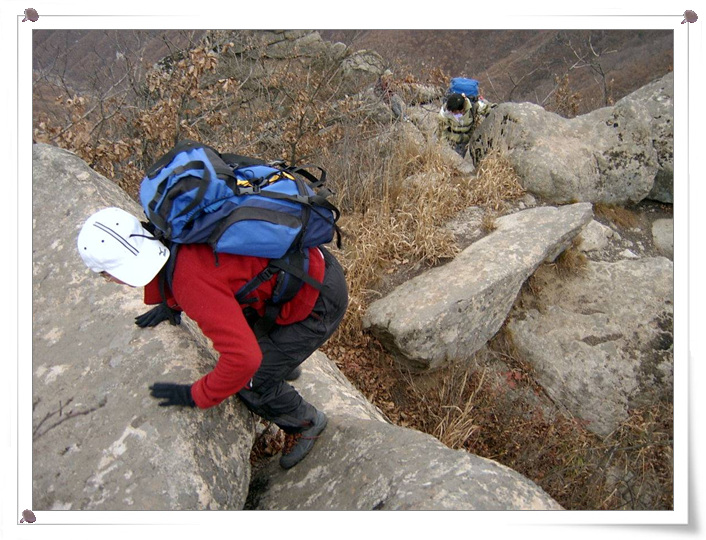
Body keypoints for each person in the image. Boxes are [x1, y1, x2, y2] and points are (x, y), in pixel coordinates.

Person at [77, 206, 348, 469]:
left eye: (106, 276)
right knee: (246, 329)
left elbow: (243, 360)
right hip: (304, 266)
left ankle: (306, 423)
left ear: (118, 270)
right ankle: (280, 363)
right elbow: (209, 270)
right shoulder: (170, 228)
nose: (109, 281)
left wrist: (196, 395)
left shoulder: (188, 281)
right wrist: (171, 304)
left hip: (317, 301)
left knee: (250, 382)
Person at [437, 92, 494, 157]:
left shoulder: (473, 107)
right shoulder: (445, 112)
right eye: (453, 112)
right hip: (451, 142)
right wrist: (443, 146)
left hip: (465, 142)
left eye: (455, 112)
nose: (453, 113)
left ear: (462, 109)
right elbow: (442, 131)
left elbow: (487, 109)